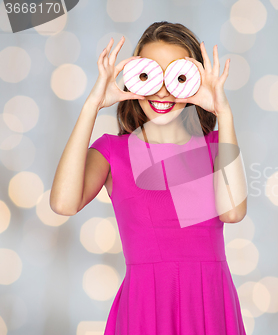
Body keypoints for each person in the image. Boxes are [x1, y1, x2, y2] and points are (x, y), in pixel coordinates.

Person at [50, 21, 248, 335]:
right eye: (150, 74)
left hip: (210, 301)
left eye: (178, 76)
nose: (163, 90)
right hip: (145, 306)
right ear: (134, 80)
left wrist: (224, 112)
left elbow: (233, 212)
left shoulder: (215, 147)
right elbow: (63, 203)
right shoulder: (113, 152)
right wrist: (92, 105)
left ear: (194, 81)